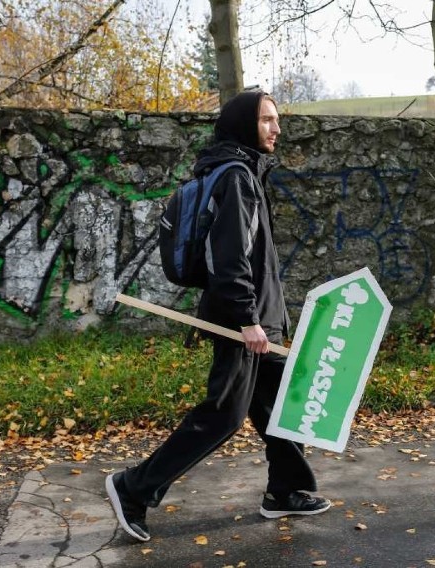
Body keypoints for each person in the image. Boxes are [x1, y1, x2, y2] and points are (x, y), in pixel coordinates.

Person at [105, 90, 331, 543]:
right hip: (242, 321)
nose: (276, 128)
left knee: (279, 407)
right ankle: (133, 487)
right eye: (267, 119)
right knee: (223, 415)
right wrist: (248, 319)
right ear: (246, 124)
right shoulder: (236, 178)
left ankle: (286, 491)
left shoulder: (240, 172)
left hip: (260, 316)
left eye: (276, 119)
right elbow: (230, 259)